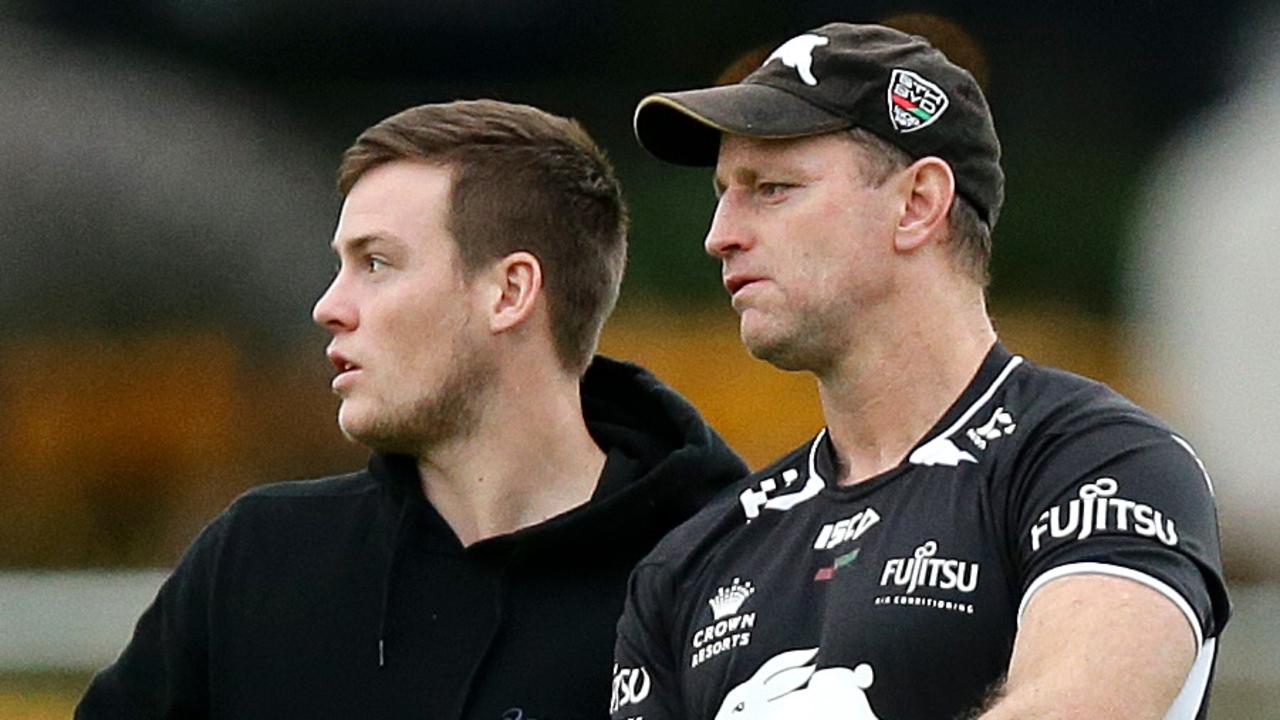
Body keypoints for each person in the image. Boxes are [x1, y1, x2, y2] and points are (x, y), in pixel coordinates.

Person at [611, 22, 1230, 720]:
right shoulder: (693, 560)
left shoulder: (1098, 463)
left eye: (772, 188)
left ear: (918, 204)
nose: (719, 233)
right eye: (724, 191)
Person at [76, 99, 747, 719]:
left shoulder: (734, 571)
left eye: (375, 263)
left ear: (509, 292)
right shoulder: (255, 563)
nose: (328, 307)